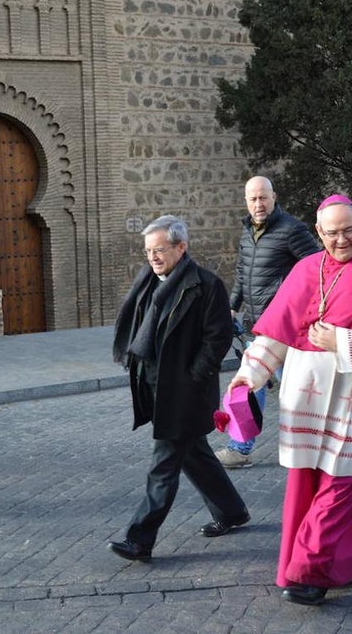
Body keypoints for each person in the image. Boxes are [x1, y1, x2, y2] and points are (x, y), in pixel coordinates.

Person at [227, 195, 352, 605]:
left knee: (343, 483)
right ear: (319, 233)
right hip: (306, 401)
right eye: (332, 233)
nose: (342, 240)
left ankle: (309, 569)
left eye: (349, 230)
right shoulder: (304, 271)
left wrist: (340, 340)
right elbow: (276, 336)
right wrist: (248, 379)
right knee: (338, 482)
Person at [109, 215, 249, 562]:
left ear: (181, 247)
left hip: (184, 390)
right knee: (194, 454)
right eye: (148, 251)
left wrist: (193, 377)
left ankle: (139, 539)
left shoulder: (206, 285)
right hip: (155, 383)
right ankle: (231, 511)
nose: (153, 257)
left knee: (165, 462)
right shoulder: (148, 281)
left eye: (159, 250)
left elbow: (218, 339)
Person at [218, 176, 319, 469]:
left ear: (274, 197)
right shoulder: (247, 231)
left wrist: (299, 310)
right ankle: (240, 448)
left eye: (263, 197)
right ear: (246, 202)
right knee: (247, 387)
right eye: (253, 199)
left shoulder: (292, 230)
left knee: (297, 391)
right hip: (255, 326)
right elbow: (241, 273)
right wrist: (232, 308)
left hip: (286, 329)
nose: (258, 204)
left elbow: (315, 270)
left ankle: (309, 444)